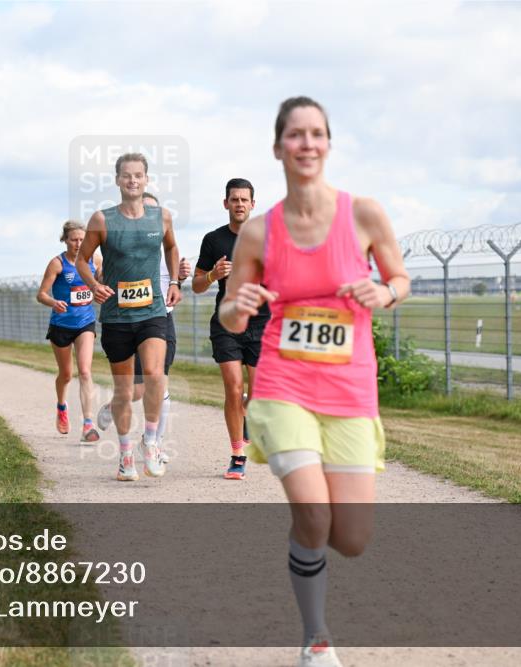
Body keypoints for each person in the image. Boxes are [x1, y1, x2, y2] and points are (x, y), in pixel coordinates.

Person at [219, 96, 409, 667]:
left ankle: (309, 547)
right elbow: (230, 315)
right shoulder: (259, 232)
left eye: (316, 133)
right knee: (314, 513)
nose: (306, 144)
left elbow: (401, 279)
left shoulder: (364, 215)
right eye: (295, 135)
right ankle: (316, 636)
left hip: (350, 388)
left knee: (350, 538)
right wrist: (239, 305)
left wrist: (385, 292)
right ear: (278, 148)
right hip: (284, 384)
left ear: (328, 144)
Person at [76, 152, 182, 482]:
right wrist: (94, 285)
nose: (132, 180)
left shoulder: (162, 217)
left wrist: (175, 282)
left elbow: (172, 248)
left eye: (138, 175)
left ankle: (150, 441)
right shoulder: (102, 220)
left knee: (154, 374)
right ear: (117, 180)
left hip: (153, 313)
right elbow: (82, 260)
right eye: (126, 175)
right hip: (117, 317)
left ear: (146, 179)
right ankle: (125, 456)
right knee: (123, 392)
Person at [95, 191, 191, 464]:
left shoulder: (165, 248)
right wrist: (102, 276)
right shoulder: (122, 248)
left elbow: (173, 282)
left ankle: (153, 444)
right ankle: (115, 405)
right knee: (134, 391)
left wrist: (180, 278)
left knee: (158, 382)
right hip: (126, 321)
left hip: (159, 320)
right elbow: (103, 274)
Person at [193, 178, 269, 480]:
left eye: (244, 199)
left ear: (253, 204)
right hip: (226, 323)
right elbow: (197, 285)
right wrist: (213, 274)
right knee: (234, 387)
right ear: (226, 203)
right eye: (234, 199)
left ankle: (247, 415)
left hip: (261, 322)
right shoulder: (213, 240)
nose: (239, 204)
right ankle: (237, 454)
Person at [36, 221, 102, 441]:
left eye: (82, 239)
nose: (78, 243)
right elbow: (41, 294)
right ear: (65, 240)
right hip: (61, 325)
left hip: (85, 322)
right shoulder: (57, 264)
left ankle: (88, 424)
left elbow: (101, 279)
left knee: (85, 371)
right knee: (66, 374)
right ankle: (61, 406)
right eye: (74, 239)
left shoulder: (95, 259)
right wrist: (53, 302)